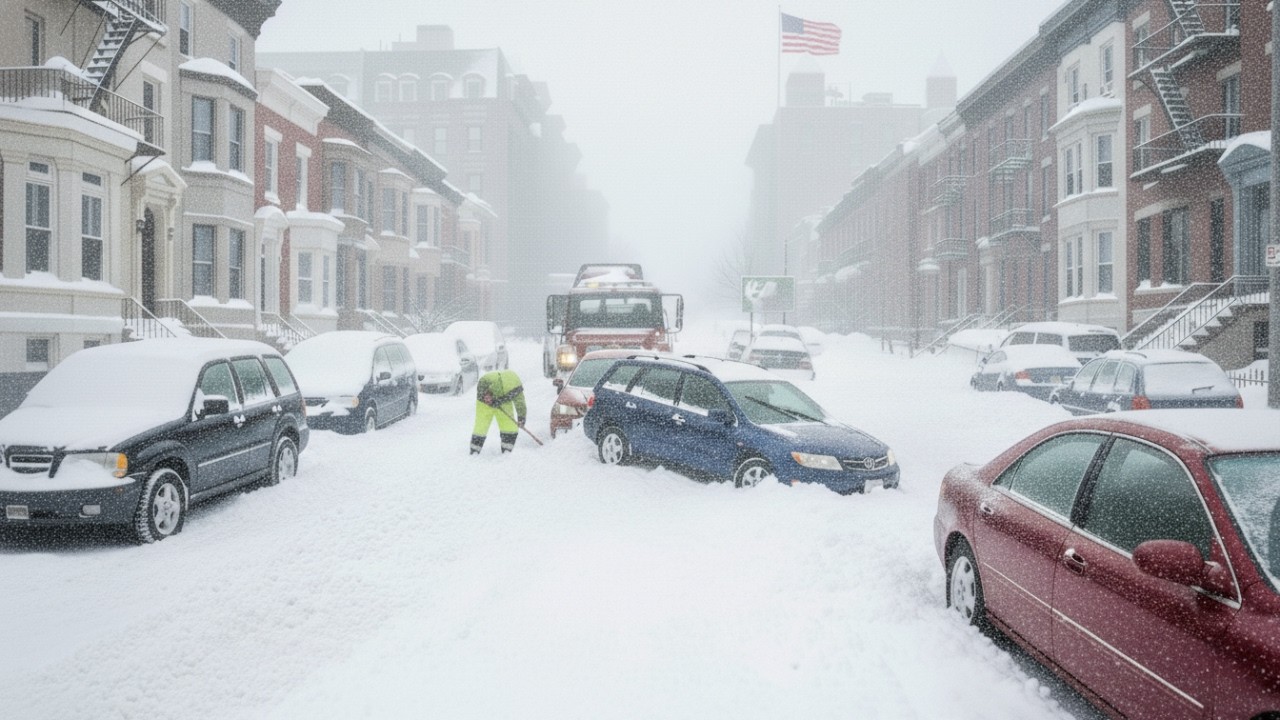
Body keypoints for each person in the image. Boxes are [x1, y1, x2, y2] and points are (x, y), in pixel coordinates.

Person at [471, 368, 527, 454]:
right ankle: (475, 450)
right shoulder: (491, 379)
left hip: (503, 401)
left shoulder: (516, 388)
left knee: (509, 426)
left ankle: (507, 451)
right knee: (482, 424)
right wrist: (485, 396)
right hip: (485, 403)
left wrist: (521, 418)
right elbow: (481, 383)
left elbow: (520, 404)